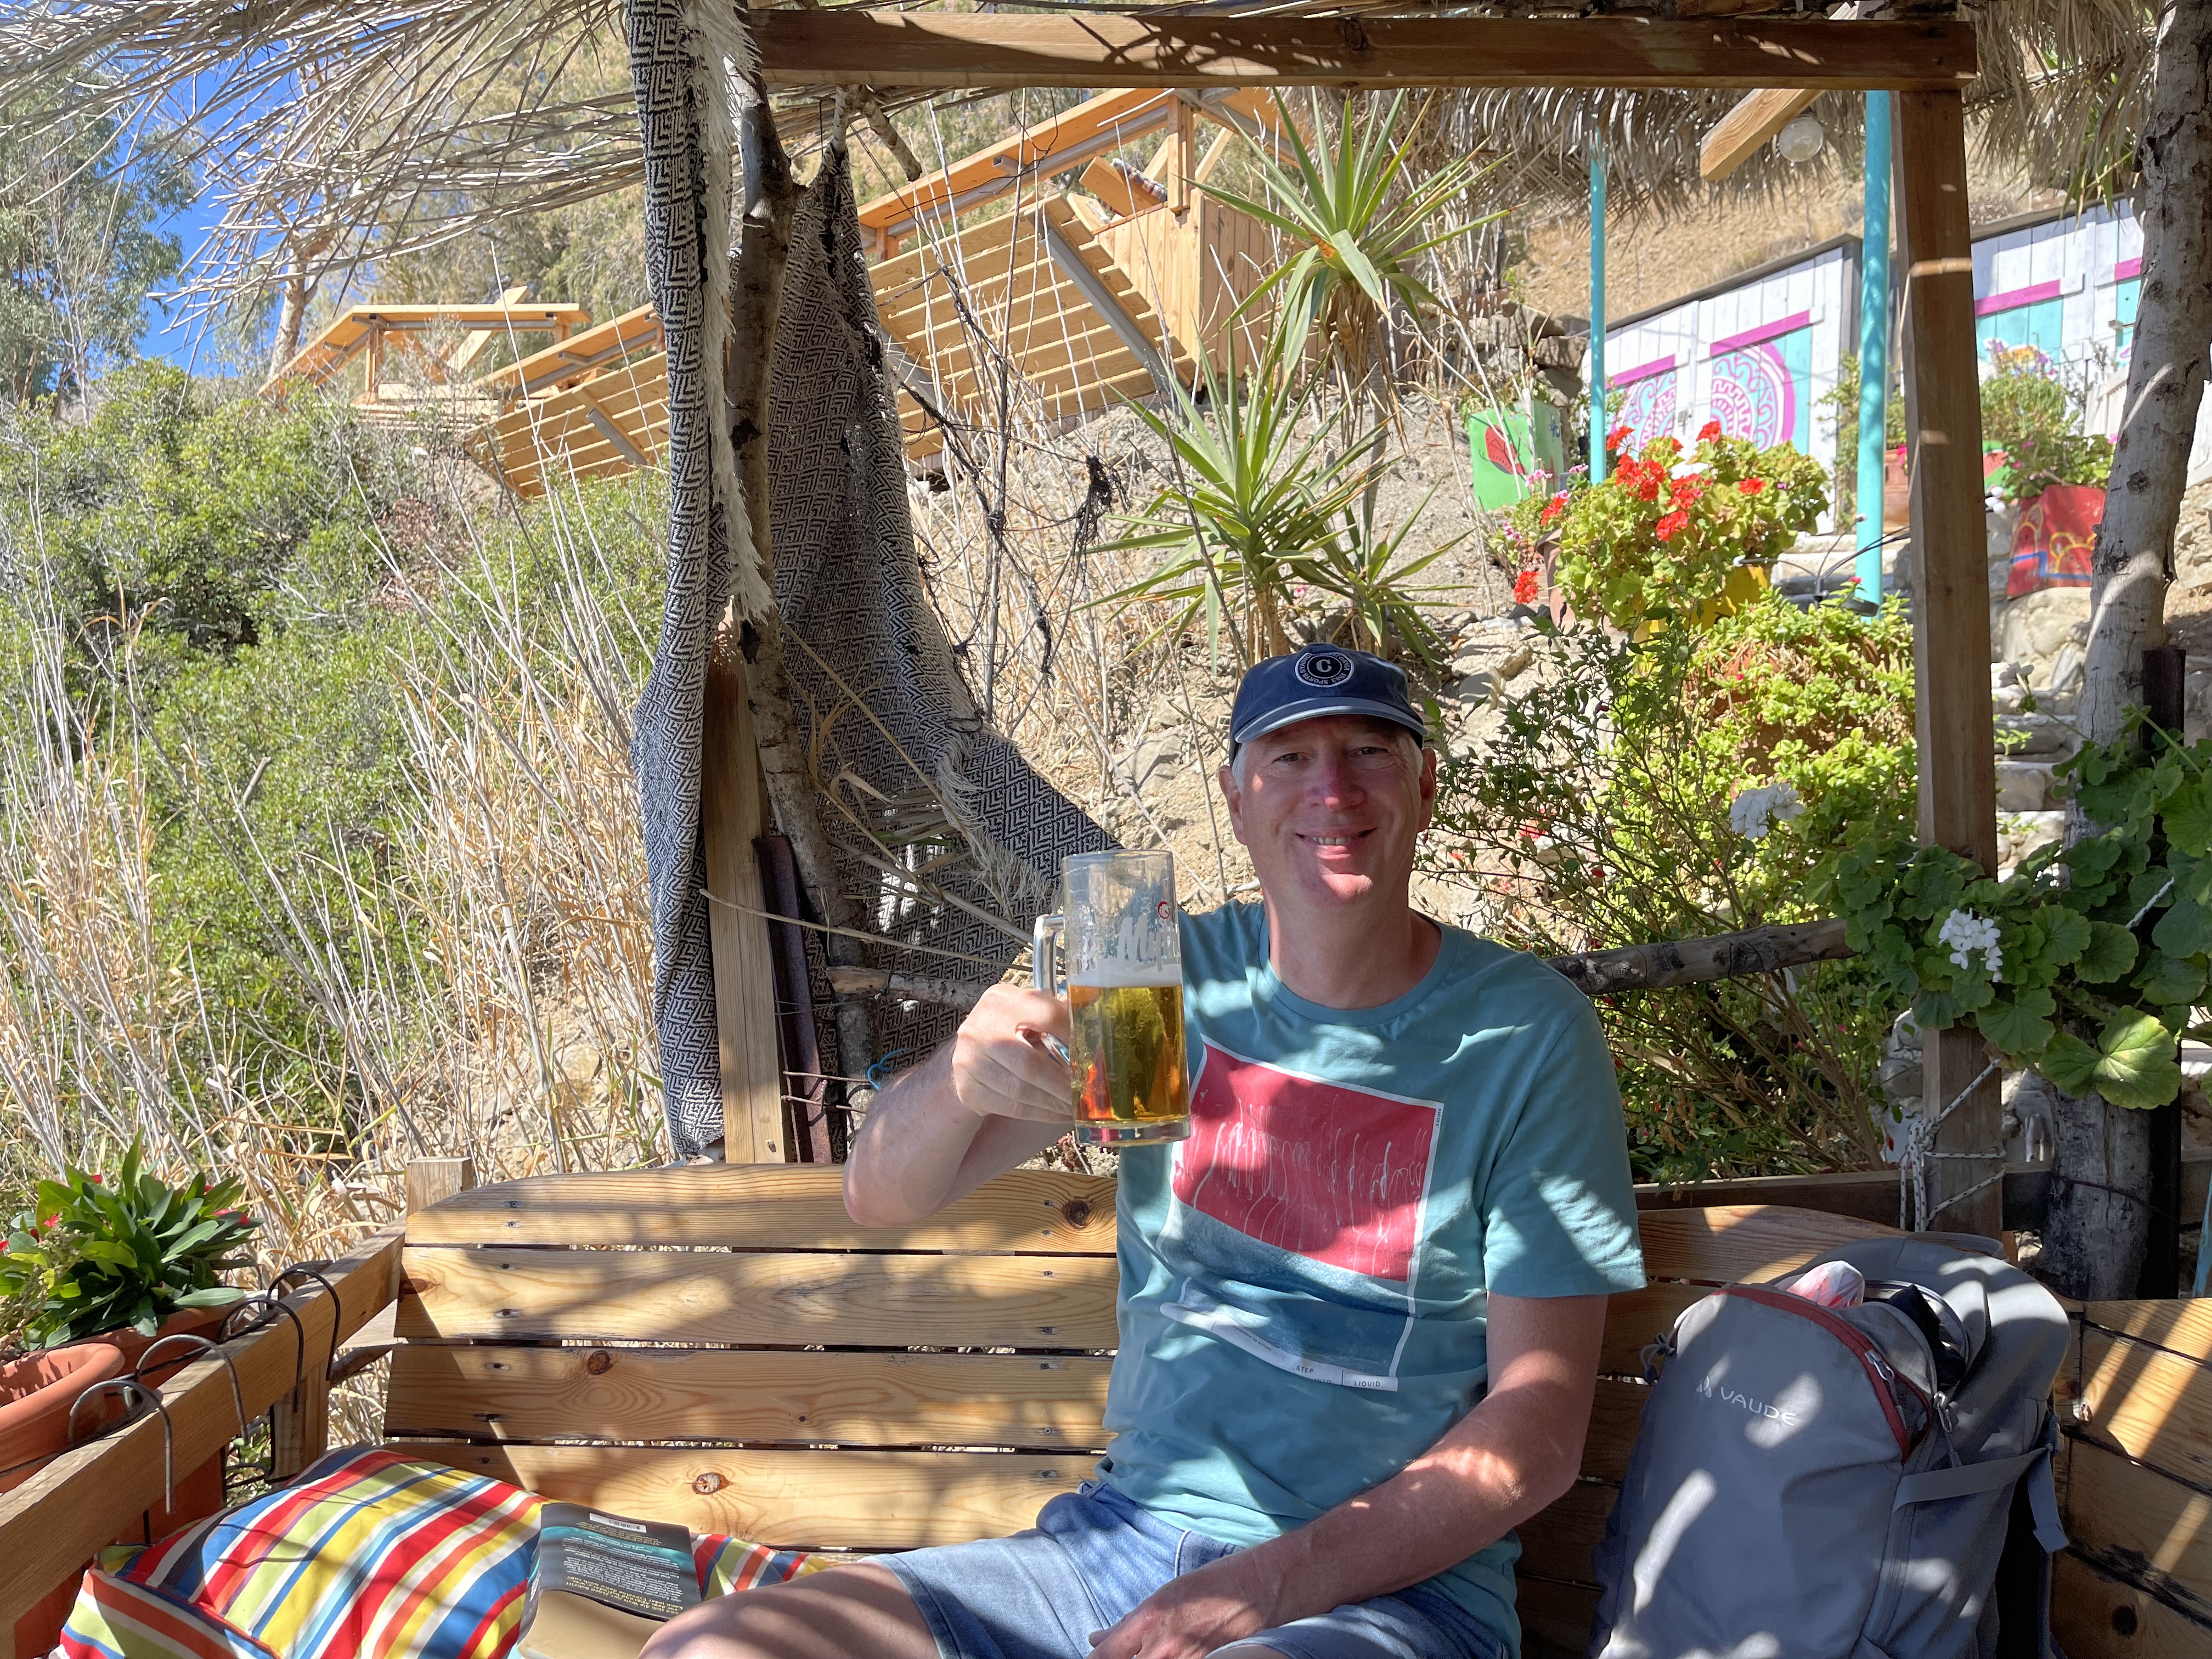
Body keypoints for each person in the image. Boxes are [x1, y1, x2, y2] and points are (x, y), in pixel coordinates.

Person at [641, 643, 1645, 1659]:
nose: (1333, 790)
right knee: (712, 1651)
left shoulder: (1523, 1037)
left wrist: (1257, 1589)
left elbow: (1539, 1429)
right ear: (1238, 800)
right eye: (1289, 758)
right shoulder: (1158, 980)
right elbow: (878, 1196)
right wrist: (958, 1080)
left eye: (1369, 751)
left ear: (1423, 787)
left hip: (1388, 1597)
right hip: (1114, 1548)